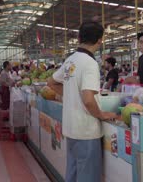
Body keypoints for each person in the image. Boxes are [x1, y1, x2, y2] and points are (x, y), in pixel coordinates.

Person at [47, 21, 118, 182]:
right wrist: (101, 114)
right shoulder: (90, 64)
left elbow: (51, 82)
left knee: (73, 174)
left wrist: (71, 95)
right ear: (100, 40)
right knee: (88, 177)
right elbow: (88, 99)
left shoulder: (71, 60)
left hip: (71, 128)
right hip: (86, 131)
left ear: (79, 38)